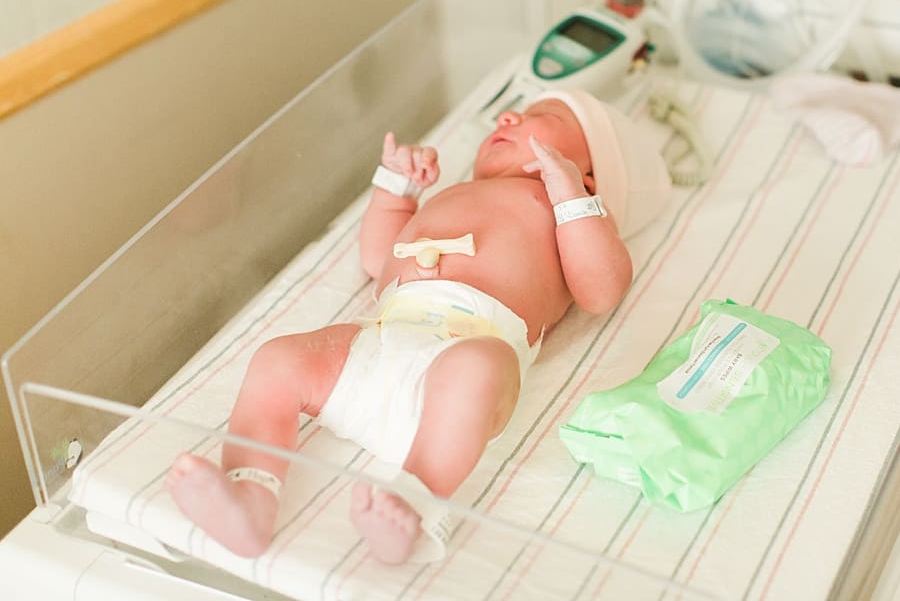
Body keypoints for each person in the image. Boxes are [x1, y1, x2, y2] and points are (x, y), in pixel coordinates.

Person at [166, 89, 671, 564]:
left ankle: (413, 501)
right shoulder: (454, 191)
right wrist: (397, 192)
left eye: (548, 116)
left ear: (589, 177)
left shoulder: (567, 211)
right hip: (383, 337)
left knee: (480, 368)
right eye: (510, 112)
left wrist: (572, 201)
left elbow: (601, 290)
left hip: (469, 353)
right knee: (279, 359)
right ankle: (251, 497)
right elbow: (375, 259)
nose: (507, 116)